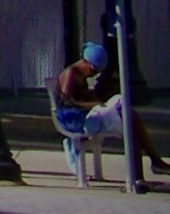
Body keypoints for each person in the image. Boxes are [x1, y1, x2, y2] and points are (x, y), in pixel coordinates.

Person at [61, 38, 162, 177]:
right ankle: (149, 166)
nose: (93, 75)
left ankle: (150, 165)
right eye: (94, 71)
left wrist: (97, 101)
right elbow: (67, 102)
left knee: (128, 116)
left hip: (86, 118)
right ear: (86, 63)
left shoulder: (80, 76)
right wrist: (93, 104)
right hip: (77, 122)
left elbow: (85, 97)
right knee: (128, 119)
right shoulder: (71, 72)